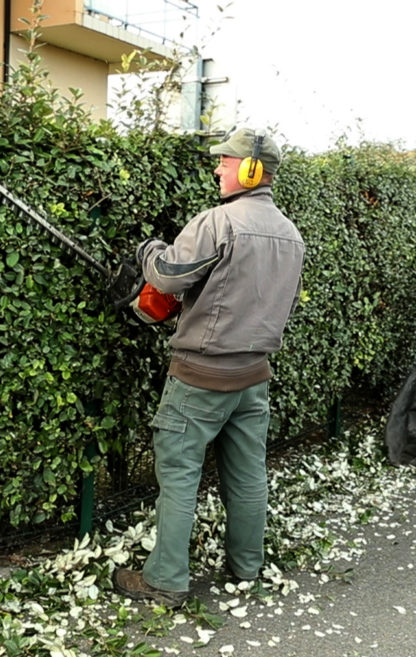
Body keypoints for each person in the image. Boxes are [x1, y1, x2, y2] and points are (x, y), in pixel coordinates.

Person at [112, 128, 305, 608]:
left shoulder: (218, 222)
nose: (218, 167)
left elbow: (167, 275)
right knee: (247, 475)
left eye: (225, 160)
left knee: (178, 474)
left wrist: (149, 252)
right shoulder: (291, 233)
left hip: (201, 375)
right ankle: (247, 566)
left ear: (251, 170)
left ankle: (166, 582)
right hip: (254, 378)